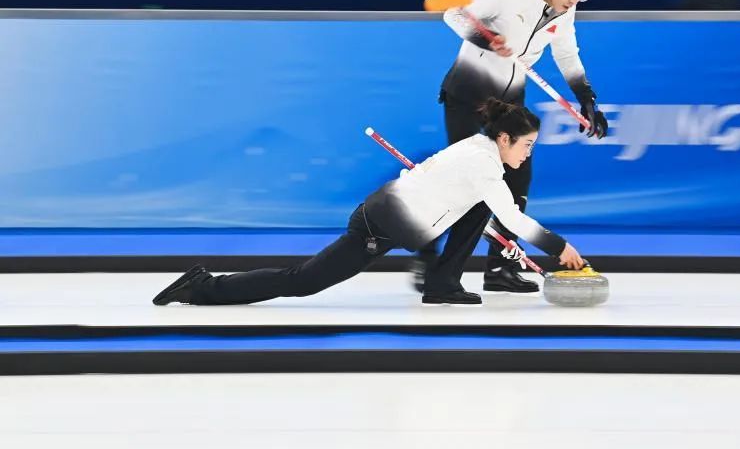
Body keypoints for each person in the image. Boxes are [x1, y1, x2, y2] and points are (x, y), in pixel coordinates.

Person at [152, 99, 586, 307]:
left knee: (481, 208)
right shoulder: (484, 164)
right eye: (526, 145)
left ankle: (441, 283)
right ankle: (204, 285)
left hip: (400, 219)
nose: (528, 153)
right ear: (504, 139)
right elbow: (511, 216)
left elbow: (497, 210)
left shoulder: (482, 149)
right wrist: (559, 247)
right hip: (377, 227)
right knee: (301, 281)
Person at [412, 0, 609, 295]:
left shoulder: (564, 11)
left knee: (518, 180)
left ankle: (501, 267)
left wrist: (586, 97)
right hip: (468, 96)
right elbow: (452, 14)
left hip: (509, 101)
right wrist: (484, 39)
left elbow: (566, 52)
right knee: (465, 182)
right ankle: (430, 254)